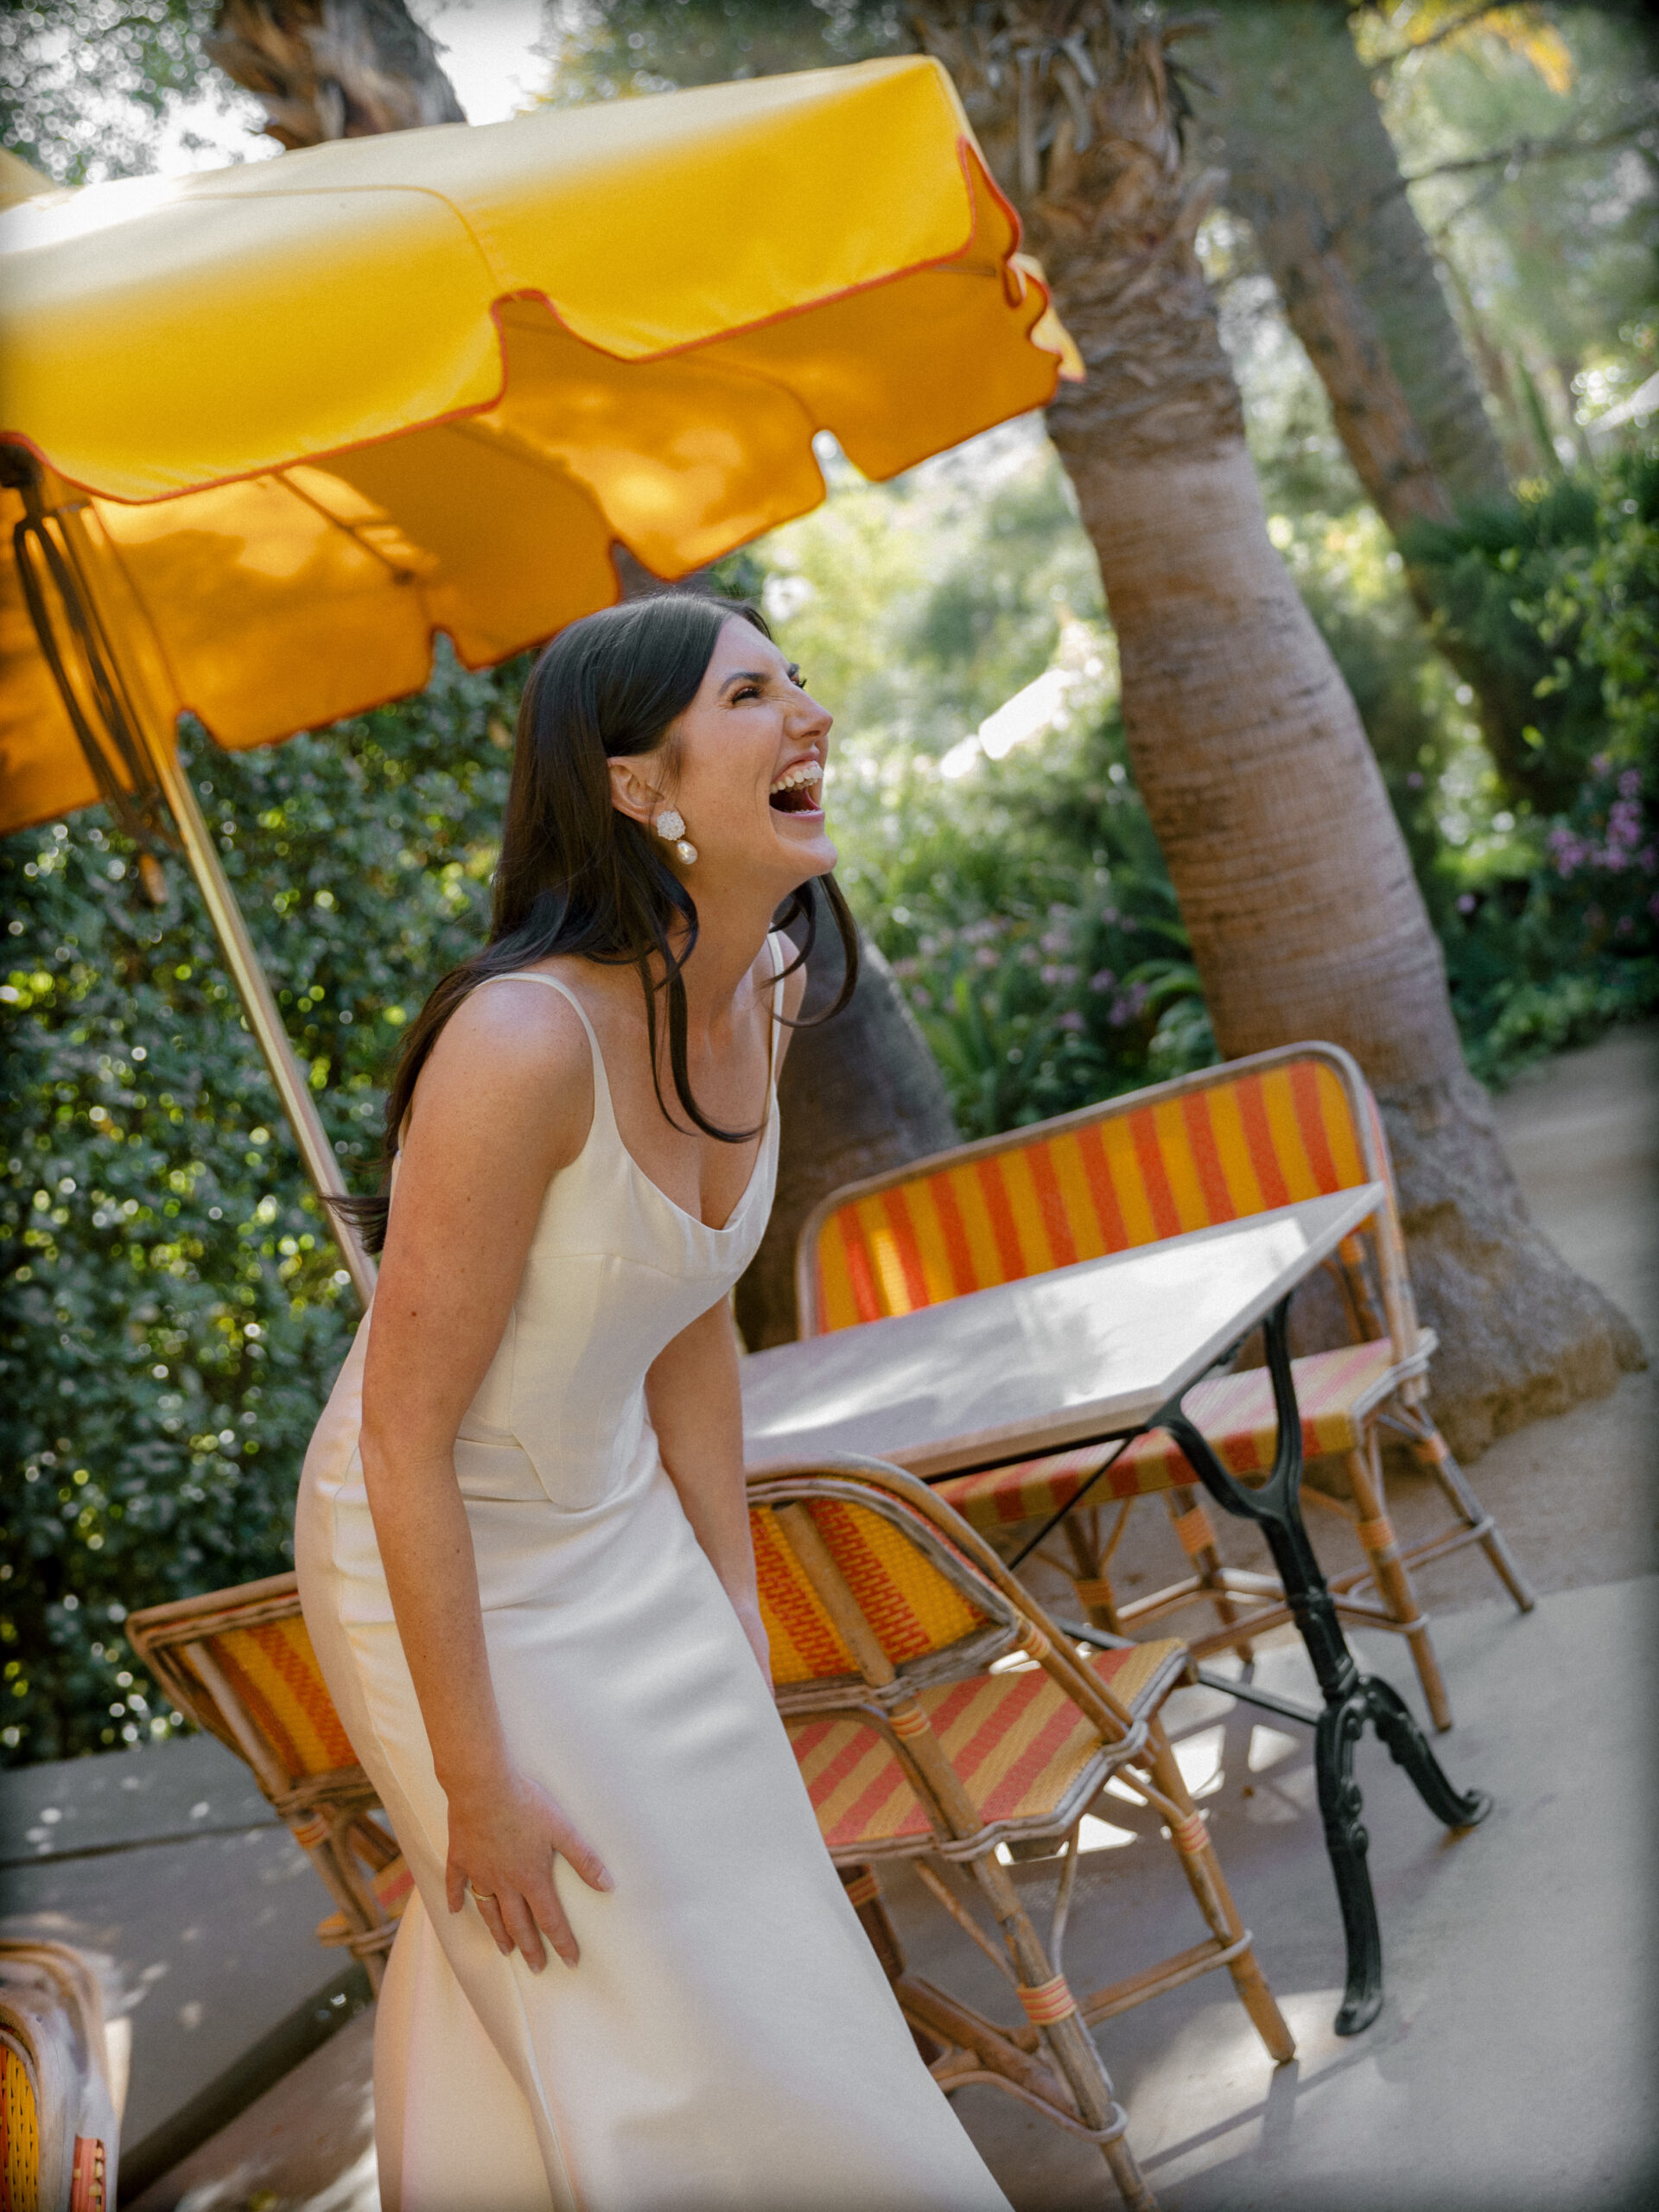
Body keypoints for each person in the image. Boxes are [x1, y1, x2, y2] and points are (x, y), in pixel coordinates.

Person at [296, 596, 1012, 2212]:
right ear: (639, 788)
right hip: (431, 1544)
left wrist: (728, 1602)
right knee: (591, 1934)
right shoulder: (519, 1043)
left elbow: (689, 1314)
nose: (809, 714)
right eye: (754, 693)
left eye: (799, 679)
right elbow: (404, 1440)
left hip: (613, 1507)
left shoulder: (755, 983)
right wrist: (470, 1781)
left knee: (736, 1907)